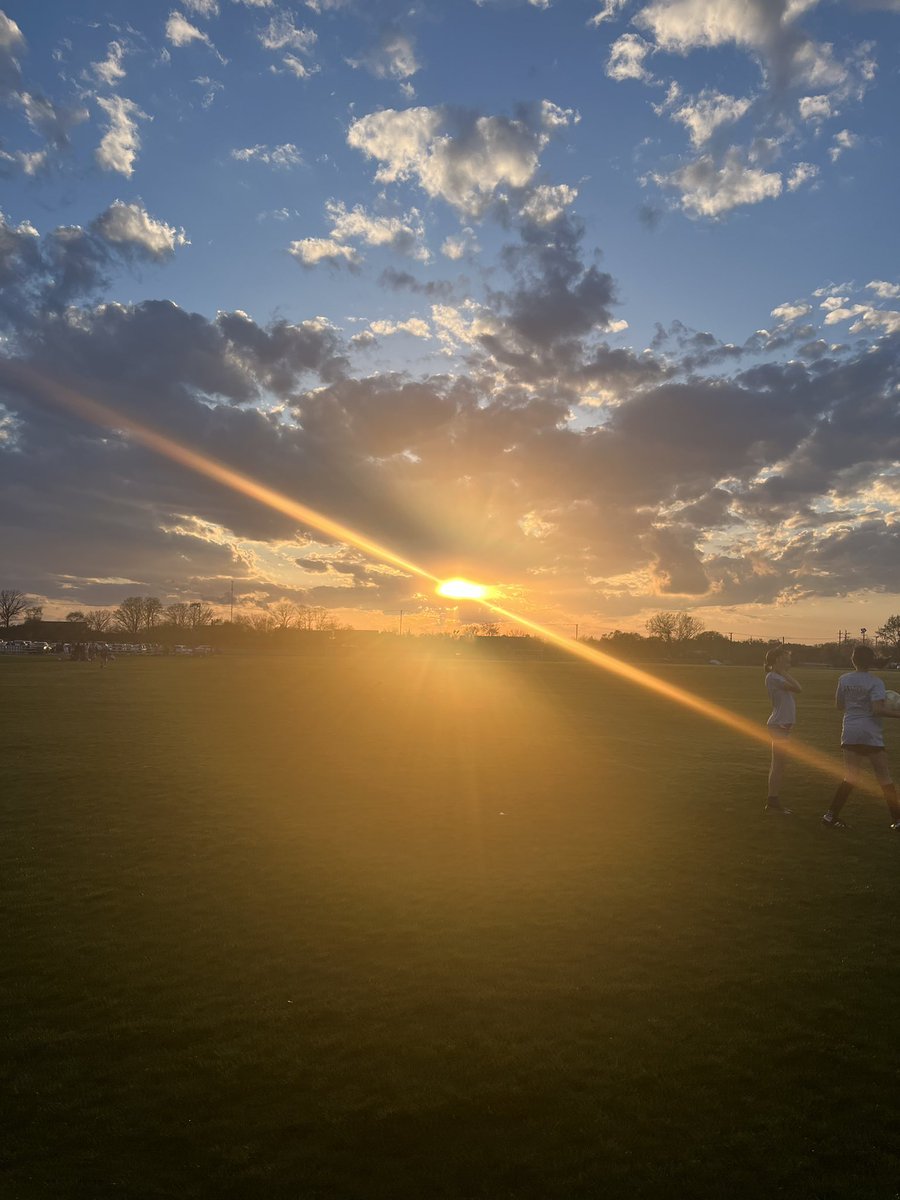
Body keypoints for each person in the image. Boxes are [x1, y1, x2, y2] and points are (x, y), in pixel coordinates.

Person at [822, 643, 900, 829]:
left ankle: (830, 816)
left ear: (853, 660)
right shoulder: (876, 682)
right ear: (871, 661)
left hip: (850, 731)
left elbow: (839, 705)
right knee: (884, 777)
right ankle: (897, 820)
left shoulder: (844, 679)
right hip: (870, 732)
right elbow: (877, 710)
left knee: (850, 777)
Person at [764, 647, 802, 814]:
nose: (789, 661)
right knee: (778, 765)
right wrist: (782, 671)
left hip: (781, 724)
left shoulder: (776, 676)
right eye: (786, 658)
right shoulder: (773, 677)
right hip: (778, 725)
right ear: (778, 659)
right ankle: (772, 801)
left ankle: (773, 801)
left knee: (779, 764)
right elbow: (798, 688)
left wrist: (782, 671)